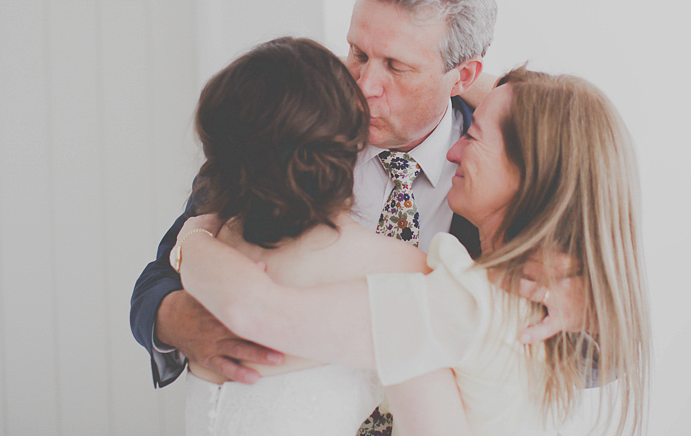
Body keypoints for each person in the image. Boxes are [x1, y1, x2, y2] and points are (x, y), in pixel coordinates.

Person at [176, 68, 652, 436]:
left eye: (473, 135)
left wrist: (194, 239)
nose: (451, 151)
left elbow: (252, 312)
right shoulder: (539, 304)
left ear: (530, 173)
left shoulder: (456, 302)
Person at [177, 36, 472, 435]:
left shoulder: (213, 244)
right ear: (352, 138)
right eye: (360, 57)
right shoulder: (404, 270)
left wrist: (192, 238)